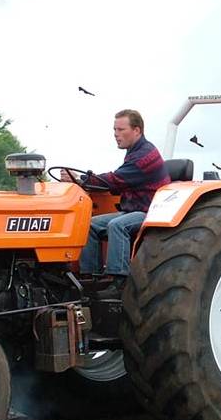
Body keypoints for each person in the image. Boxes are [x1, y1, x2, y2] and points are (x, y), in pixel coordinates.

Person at [71, 109, 170, 289]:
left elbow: (117, 179)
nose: (116, 134)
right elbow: (118, 182)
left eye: (121, 130)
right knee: (89, 225)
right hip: (133, 209)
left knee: (117, 225)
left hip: (150, 211)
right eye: (114, 130)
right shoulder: (134, 152)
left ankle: (118, 282)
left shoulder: (145, 155)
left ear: (137, 130)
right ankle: (91, 278)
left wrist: (81, 179)